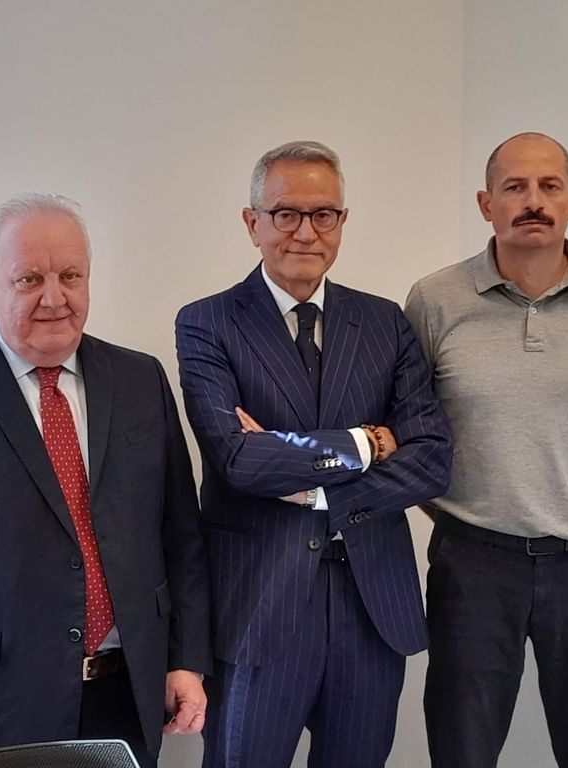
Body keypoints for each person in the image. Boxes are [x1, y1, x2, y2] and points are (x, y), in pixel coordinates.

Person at [0, 193, 211, 767]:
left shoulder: (141, 379)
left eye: (70, 276)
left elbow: (181, 534)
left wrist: (186, 658)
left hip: (131, 691)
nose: (55, 298)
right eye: (29, 278)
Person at [175, 140, 453, 768]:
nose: (306, 231)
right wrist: (368, 442)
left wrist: (315, 488)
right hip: (260, 607)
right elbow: (238, 462)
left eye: (323, 214)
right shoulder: (207, 323)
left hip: (371, 606)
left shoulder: (385, 322)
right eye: (285, 214)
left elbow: (433, 458)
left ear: (342, 221)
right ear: (252, 223)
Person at [405, 132, 568, 768]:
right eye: (514, 187)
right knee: (462, 749)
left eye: (549, 187)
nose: (533, 201)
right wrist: (473, 513)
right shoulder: (435, 301)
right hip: (472, 565)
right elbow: (412, 431)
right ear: (486, 203)